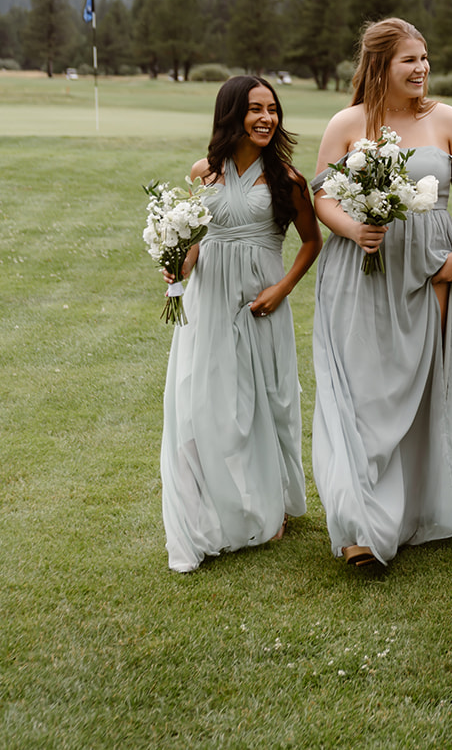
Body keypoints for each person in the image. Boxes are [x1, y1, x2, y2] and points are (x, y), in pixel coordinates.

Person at [309, 18, 452, 568]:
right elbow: (322, 196)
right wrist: (351, 228)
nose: (422, 69)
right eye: (410, 59)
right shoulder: (348, 123)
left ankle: (408, 513)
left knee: (416, 387)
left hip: (429, 269)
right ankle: (359, 526)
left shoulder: (449, 121)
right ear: (380, 66)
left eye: (425, 58)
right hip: (361, 266)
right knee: (362, 390)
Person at [160, 75, 322, 572]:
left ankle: (271, 502)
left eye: (272, 109)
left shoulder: (287, 180)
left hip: (261, 298)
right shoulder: (203, 173)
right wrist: (177, 265)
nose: (267, 118)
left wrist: (282, 288)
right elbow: (194, 241)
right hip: (209, 299)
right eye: (255, 109)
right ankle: (208, 499)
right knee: (204, 399)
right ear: (232, 114)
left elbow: (311, 242)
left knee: (267, 399)